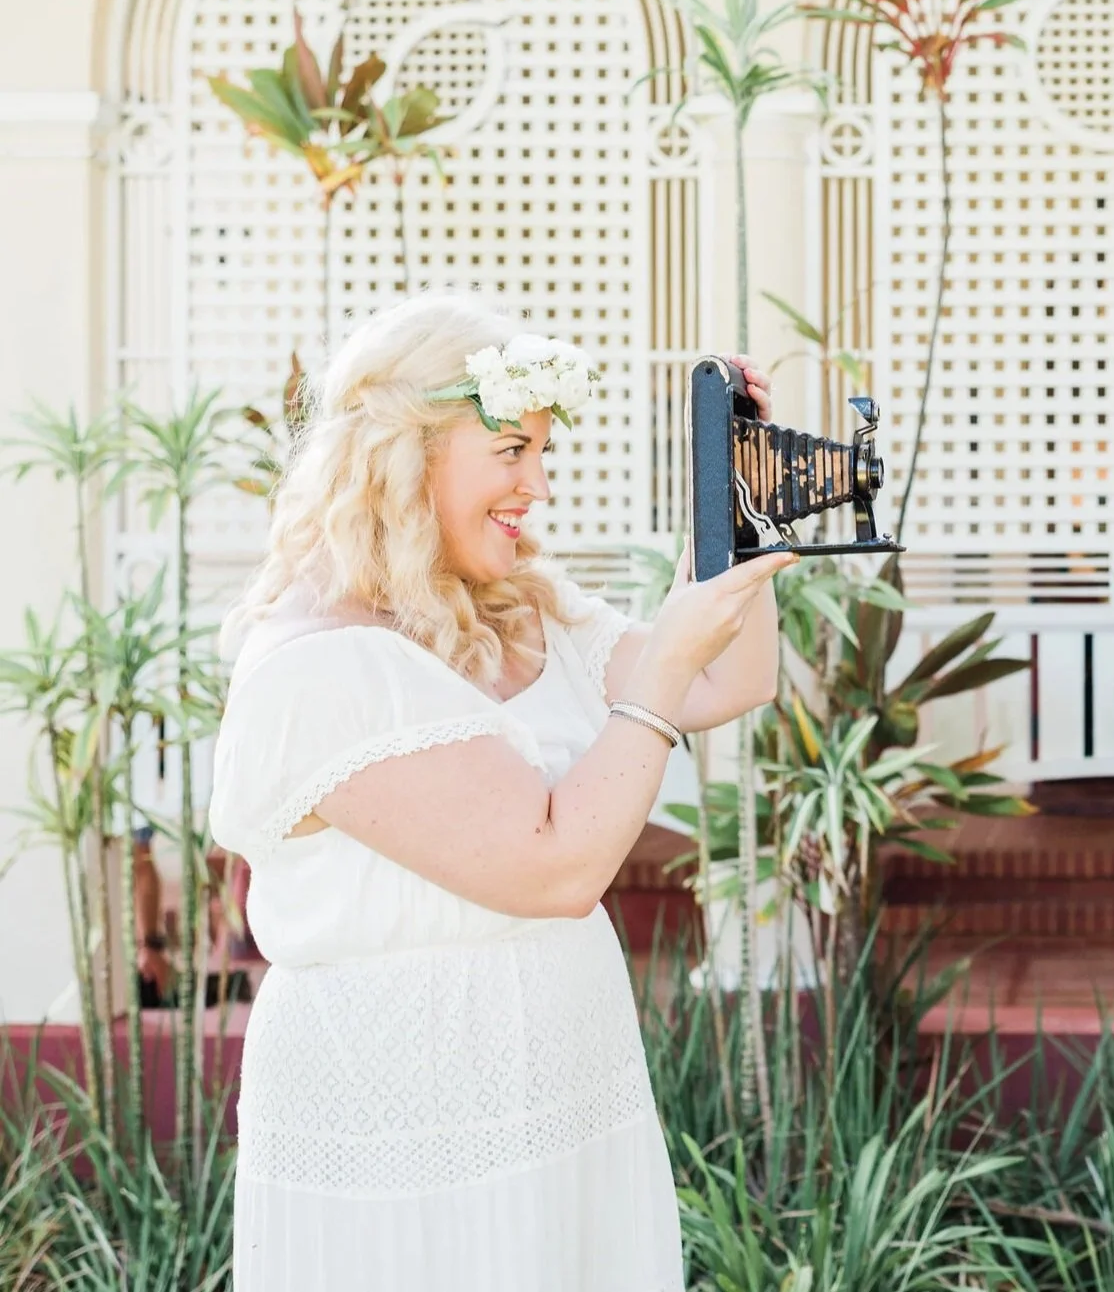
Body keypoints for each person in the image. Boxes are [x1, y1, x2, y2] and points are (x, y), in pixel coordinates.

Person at [209, 297, 796, 1292]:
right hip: (407, 1125)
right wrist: (653, 688)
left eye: (544, 451)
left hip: (567, 1095)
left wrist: (734, 508)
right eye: (512, 451)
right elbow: (554, 863)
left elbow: (724, 680)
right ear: (408, 454)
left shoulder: (522, 603)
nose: (541, 485)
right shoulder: (323, 665)